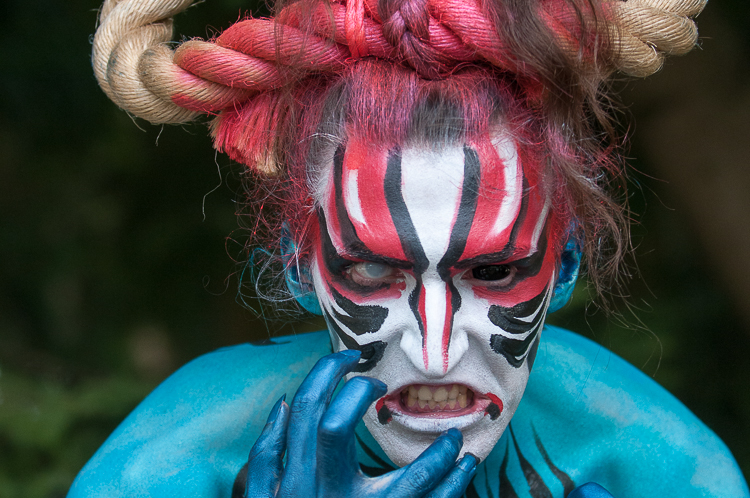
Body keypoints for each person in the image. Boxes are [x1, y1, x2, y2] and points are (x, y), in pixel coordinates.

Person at [69, 0, 749, 496]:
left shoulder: (663, 473)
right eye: (370, 271)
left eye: (492, 271)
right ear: (300, 266)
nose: (433, 352)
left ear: (563, 264)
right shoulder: (166, 473)